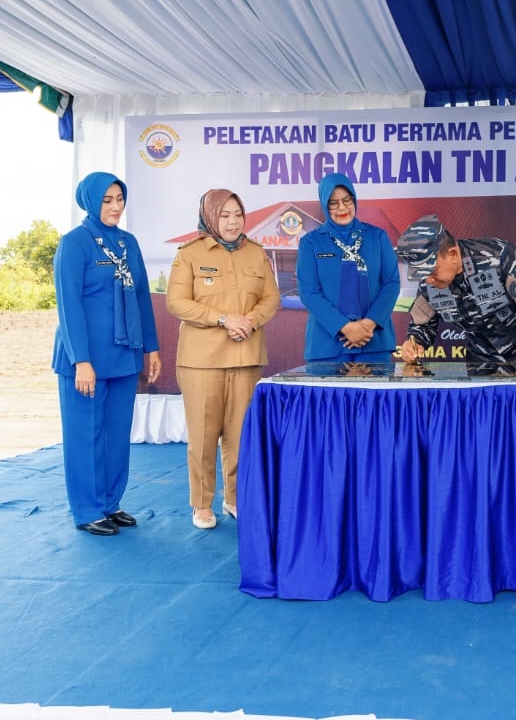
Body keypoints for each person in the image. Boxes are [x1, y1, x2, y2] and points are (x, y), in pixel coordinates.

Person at [52, 172, 161, 536]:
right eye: (107, 200)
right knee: (86, 435)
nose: (115, 207)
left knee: (116, 436)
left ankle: (110, 504)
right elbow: (68, 307)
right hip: (85, 361)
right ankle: (87, 509)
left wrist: (152, 347)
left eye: (119, 199)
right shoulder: (75, 244)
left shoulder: (129, 243)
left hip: (124, 357)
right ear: (90, 202)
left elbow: (142, 298)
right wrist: (80, 359)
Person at [166, 189, 280, 530]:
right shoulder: (190, 253)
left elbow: (271, 299)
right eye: (224, 215)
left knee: (240, 434)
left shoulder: (256, 254)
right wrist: (222, 318)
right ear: (210, 217)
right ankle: (202, 504)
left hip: (245, 358)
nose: (232, 222)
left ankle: (234, 498)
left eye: (237, 215)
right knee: (203, 435)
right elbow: (176, 301)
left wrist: (250, 320)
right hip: (201, 361)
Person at [395, 215, 516, 378]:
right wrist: (414, 342)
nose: (428, 280)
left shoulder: (497, 257)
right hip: (480, 362)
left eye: (432, 271)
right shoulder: (429, 284)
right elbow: (422, 324)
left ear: (452, 254)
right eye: (422, 274)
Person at [296, 173, 400, 363]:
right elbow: (309, 292)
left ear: (354, 199)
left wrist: (367, 325)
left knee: (374, 394)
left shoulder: (377, 237)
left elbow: (391, 283)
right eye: (333, 202)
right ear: (324, 205)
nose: (342, 207)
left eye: (346, 200)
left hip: (374, 342)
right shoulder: (311, 242)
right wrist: (345, 327)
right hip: (327, 345)